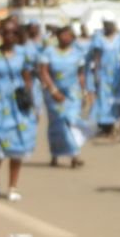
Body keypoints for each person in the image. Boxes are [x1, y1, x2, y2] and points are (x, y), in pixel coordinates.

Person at [0, 18, 37, 201]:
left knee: (18, 144)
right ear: (0, 34)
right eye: (6, 32)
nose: (9, 36)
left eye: (13, 33)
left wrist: (32, 103)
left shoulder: (23, 54)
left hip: (18, 105)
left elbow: (27, 78)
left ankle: (13, 185)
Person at [38, 25, 90, 168]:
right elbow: (43, 71)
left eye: (69, 35)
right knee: (58, 123)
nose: (65, 38)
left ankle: (74, 154)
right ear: (58, 36)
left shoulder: (78, 53)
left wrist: (84, 92)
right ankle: (55, 153)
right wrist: (53, 89)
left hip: (73, 93)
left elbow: (80, 74)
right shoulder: (48, 52)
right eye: (63, 34)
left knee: (71, 121)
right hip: (53, 92)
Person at [89, 19, 120, 136]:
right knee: (103, 99)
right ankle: (105, 124)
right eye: (106, 25)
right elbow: (96, 57)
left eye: (110, 24)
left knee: (117, 98)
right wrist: (96, 74)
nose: (108, 27)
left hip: (118, 73)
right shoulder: (99, 39)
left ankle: (115, 123)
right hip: (103, 73)